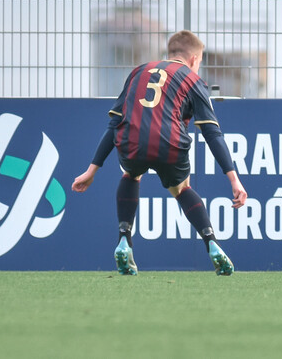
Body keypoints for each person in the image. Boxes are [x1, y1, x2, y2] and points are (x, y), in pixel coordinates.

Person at [72, 30, 248, 275]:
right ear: (194, 59)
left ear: (170, 53)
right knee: (181, 188)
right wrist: (234, 180)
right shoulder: (192, 79)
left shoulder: (138, 71)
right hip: (170, 144)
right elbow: (212, 134)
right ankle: (212, 244)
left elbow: (114, 124)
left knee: (131, 174)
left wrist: (91, 170)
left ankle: (124, 239)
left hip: (131, 141)